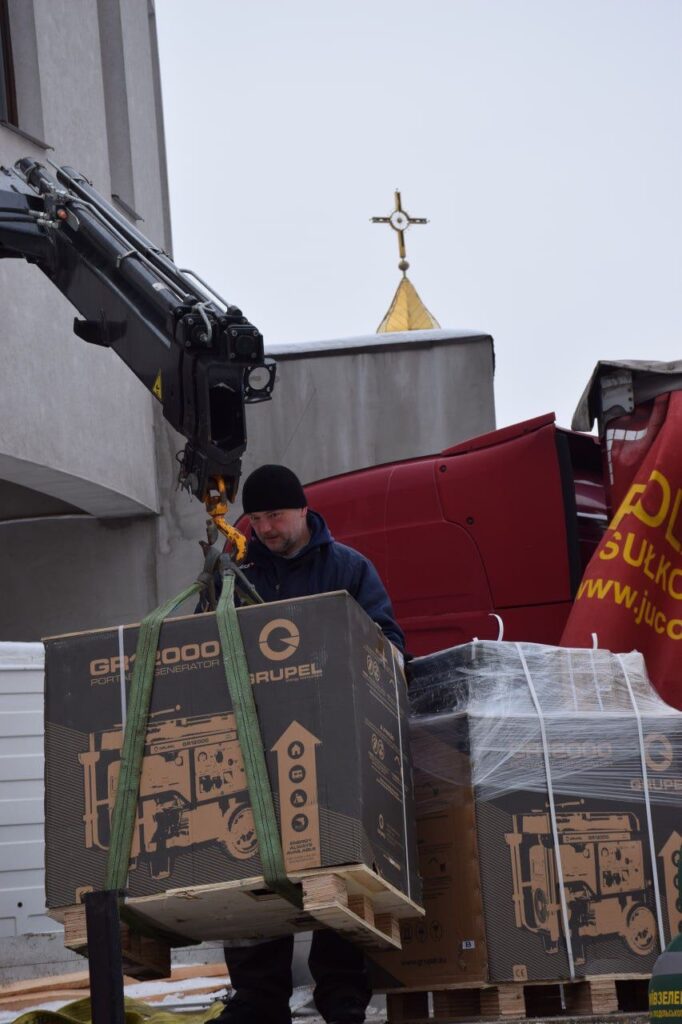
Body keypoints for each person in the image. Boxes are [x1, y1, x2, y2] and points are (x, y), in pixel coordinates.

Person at [215, 463, 404, 1024]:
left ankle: (342, 995)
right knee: (252, 866)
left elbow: (389, 643)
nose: (266, 528)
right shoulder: (234, 572)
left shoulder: (348, 568)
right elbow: (205, 641)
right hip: (254, 743)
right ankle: (258, 999)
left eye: (276, 515)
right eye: (256, 519)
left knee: (340, 866)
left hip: (336, 741)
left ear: (303, 509)